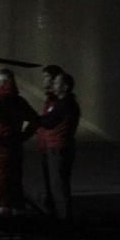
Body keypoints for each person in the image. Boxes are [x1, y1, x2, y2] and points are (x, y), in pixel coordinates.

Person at [0, 68, 39, 216]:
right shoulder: (19, 101)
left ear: (2, 83)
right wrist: (22, 137)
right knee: (15, 188)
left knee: (1, 192)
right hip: (15, 150)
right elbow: (35, 120)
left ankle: (5, 226)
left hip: (0, 152)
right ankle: (18, 223)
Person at [36, 71, 81, 221]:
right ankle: (61, 216)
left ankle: (64, 219)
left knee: (59, 187)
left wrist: (32, 118)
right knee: (59, 185)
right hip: (59, 147)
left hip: (59, 148)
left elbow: (50, 121)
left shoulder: (65, 104)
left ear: (65, 87)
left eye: (57, 83)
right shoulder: (65, 103)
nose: (53, 85)